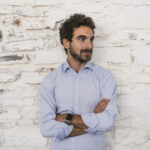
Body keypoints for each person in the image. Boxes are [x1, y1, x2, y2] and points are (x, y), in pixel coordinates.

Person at [39, 13, 117, 150]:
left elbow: (107, 122)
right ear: (66, 42)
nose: (90, 45)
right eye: (82, 39)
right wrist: (93, 120)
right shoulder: (50, 81)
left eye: (91, 39)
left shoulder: (104, 77)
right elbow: (47, 128)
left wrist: (67, 118)